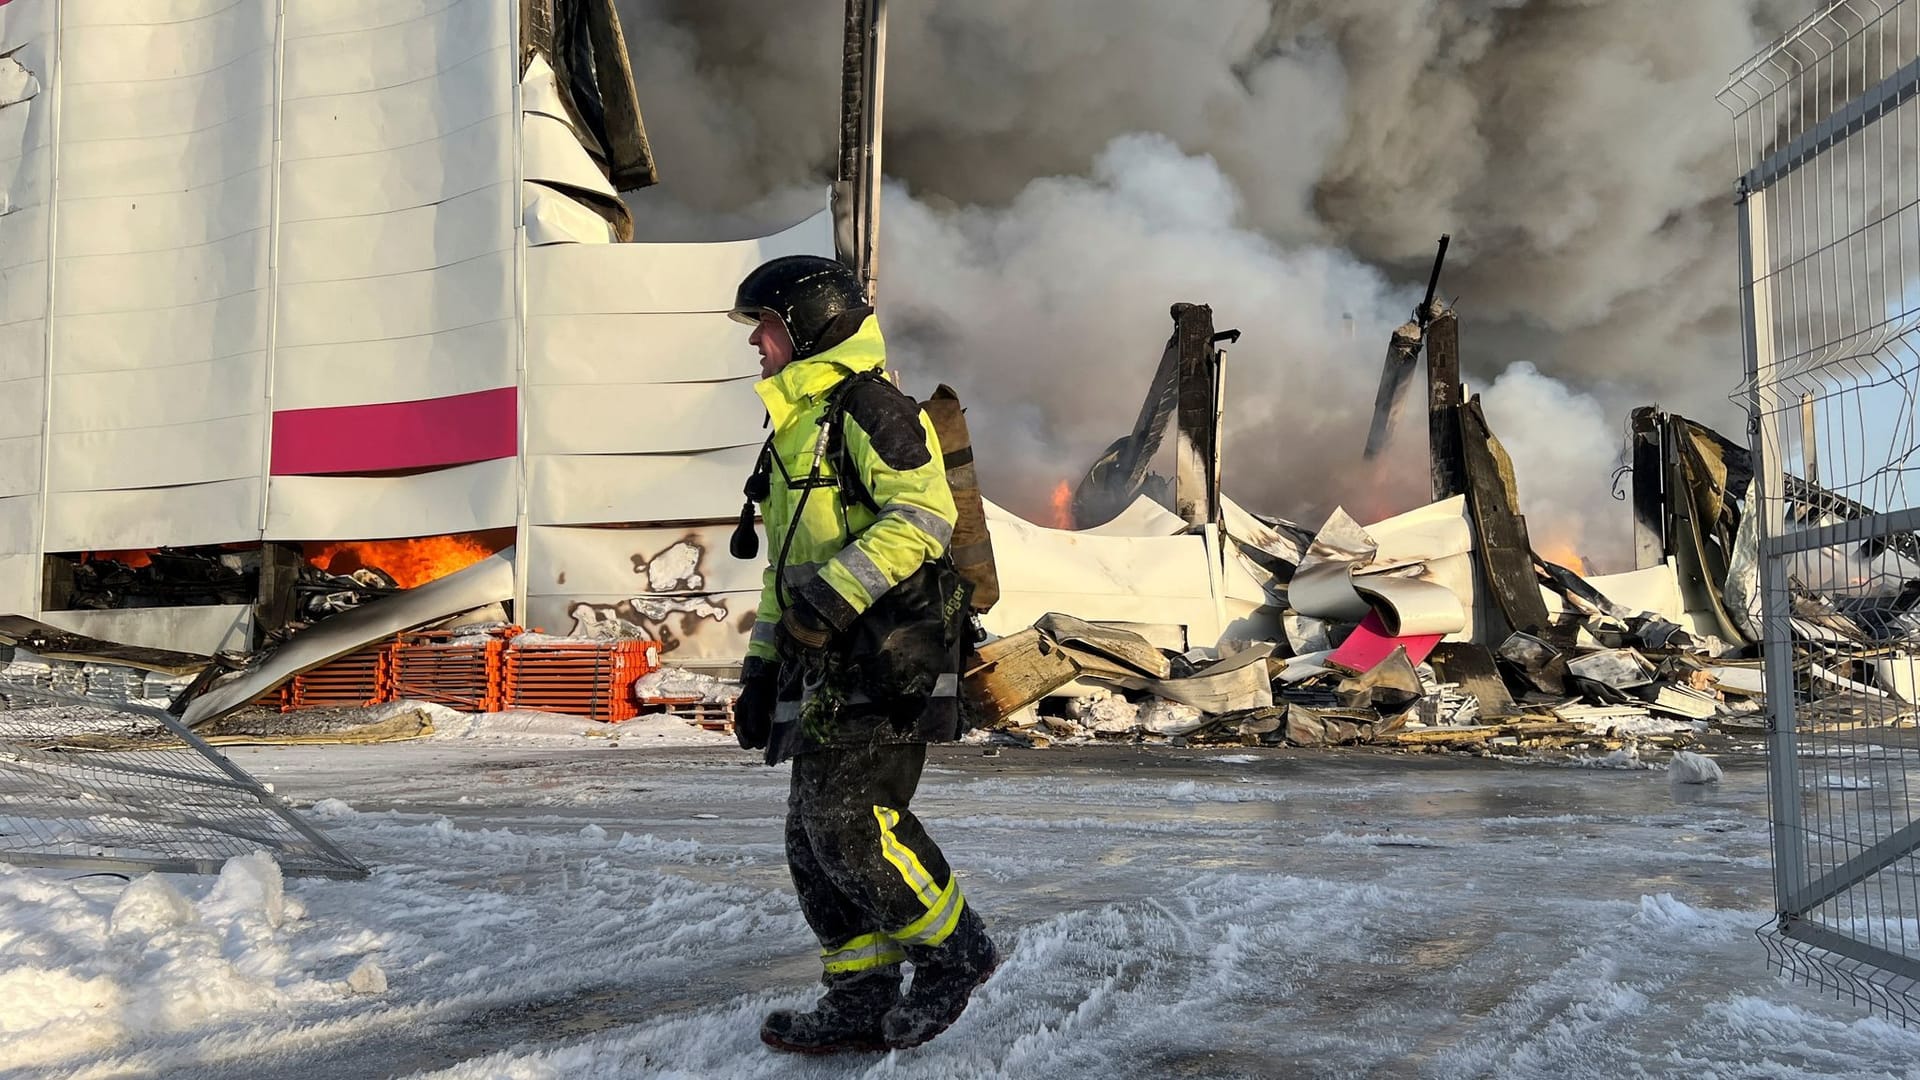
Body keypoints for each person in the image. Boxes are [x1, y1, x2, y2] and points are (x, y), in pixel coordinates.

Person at [726, 255, 999, 1054]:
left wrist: (829, 603)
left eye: (766, 327)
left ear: (808, 323)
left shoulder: (870, 406)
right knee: (811, 838)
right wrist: (760, 669)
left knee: (853, 822)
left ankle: (956, 952)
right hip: (822, 660)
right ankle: (858, 991)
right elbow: (786, 569)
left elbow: (922, 516)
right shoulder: (797, 427)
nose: (757, 346)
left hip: (889, 656)